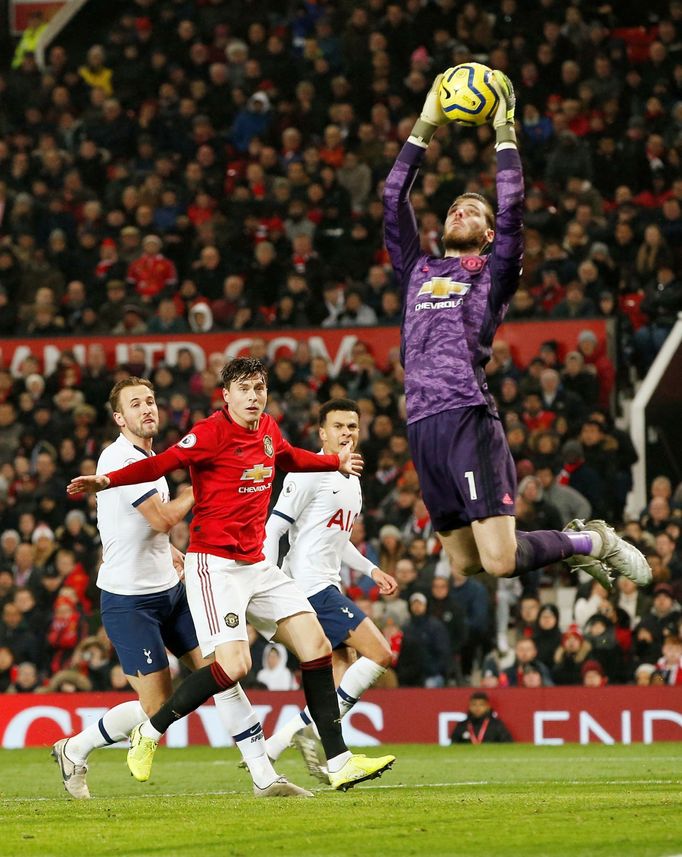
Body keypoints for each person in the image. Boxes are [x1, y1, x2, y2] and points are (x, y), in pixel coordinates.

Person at [67, 359, 395, 792]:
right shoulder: (207, 433)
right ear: (226, 395)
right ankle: (151, 729)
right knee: (234, 667)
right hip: (215, 565)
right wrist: (107, 480)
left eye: (259, 388)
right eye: (244, 389)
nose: (254, 396)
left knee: (315, 644)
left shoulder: (268, 429)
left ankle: (338, 762)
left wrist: (333, 462)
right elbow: (160, 464)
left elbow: (289, 457)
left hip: (256, 562)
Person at [382, 70, 651, 596]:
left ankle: (594, 543)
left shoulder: (493, 271)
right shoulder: (417, 268)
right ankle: (566, 542)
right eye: (454, 206)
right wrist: (426, 125)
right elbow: (394, 198)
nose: (460, 209)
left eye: (474, 210)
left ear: (486, 233)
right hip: (421, 425)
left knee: (501, 561)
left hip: (466, 418)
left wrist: (504, 130)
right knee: (467, 564)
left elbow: (513, 205)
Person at [54, 377, 309, 799]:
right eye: (135, 404)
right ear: (119, 418)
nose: (147, 409)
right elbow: (162, 519)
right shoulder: (118, 457)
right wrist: (200, 490)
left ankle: (264, 776)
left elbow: (146, 531)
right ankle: (75, 747)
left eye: (151, 401)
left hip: (171, 592)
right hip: (129, 601)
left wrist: (173, 556)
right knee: (157, 707)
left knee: (222, 673)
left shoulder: (151, 456)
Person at [259, 398, 397, 782]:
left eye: (352, 426)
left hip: (326, 582)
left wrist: (371, 569)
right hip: (308, 586)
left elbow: (339, 539)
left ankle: (279, 744)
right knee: (380, 653)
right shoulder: (307, 471)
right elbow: (274, 528)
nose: (347, 433)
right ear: (323, 433)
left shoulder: (351, 479)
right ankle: (311, 733)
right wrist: (268, 581)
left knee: (342, 663)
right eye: (338, 426)